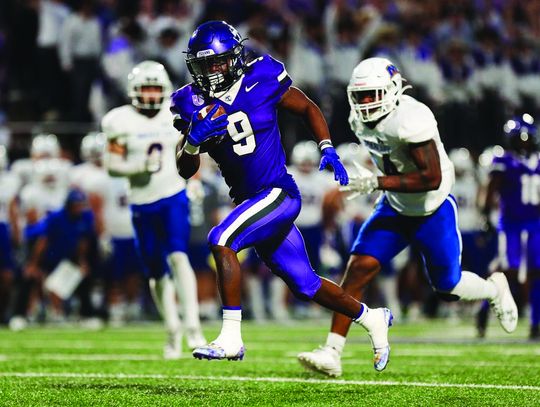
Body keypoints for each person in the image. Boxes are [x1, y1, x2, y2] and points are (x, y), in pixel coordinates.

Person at [172, 20, 392, 368]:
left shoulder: (261, 76)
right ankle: (371, 318)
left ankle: (231, 337)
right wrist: (193, 143)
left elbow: (306, 106)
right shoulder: (189, 100)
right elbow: (185, 170)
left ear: (235, 58)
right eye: (204, 65)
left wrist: (326, 147)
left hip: (278, 193)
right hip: (250, 202)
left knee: (221, 239)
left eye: (218, 62)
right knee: (305, 284)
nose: (212, 72)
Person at [297, 57, 518, 377]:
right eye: (360, 96)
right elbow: (388, 157)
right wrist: (375, 179)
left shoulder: (412, 118)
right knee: (358, 269)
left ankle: (494, 289)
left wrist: (376, 182)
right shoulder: (358, 120)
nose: (365, 103)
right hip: (396, 205)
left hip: (432, 207)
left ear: (392, 90)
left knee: (448, 286)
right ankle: (332, 351)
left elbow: (430, 177)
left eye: (373, 94)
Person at [102, 60, 205, 359]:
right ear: (133, 91)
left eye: (154, 88)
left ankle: (194, 327)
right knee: (156, 271)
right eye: (144, 89)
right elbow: (112, 166)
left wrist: (195, 180)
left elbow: (191, 150)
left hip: (173, 195)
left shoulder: (175, 113)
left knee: (178, 256)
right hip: (141, 202)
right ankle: (172, 328)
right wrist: (137, 167)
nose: (149, 96)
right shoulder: (118, 120)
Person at [481, 114, 540, 340]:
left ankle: (536, 323)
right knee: (509, 271)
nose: (524, 142)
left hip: (535, 223)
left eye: (527, 138)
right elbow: (490, 189)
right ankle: (484, 309)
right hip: (512, 224)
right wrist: (486, 216)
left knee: (537, 272)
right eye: (520, 138)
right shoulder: (503, 161)